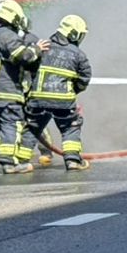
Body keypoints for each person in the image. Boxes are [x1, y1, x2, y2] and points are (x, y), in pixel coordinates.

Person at [0, 0, 42, 175]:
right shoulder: (7, 36)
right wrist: (38, 48)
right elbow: (24, 56)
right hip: (5, 92)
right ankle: (8, 163)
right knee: (11, 124)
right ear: (14, 18)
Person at [26, 15, 92, 170]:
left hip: (38, 100)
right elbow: (85, 77)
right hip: (63, 101)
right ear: (74, 34)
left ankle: (20, 161)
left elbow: (29, 69)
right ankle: (73, 161)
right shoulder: (78, 54)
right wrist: (73, 90)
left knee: (32, 128)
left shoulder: (43, 47)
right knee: (70, 127)